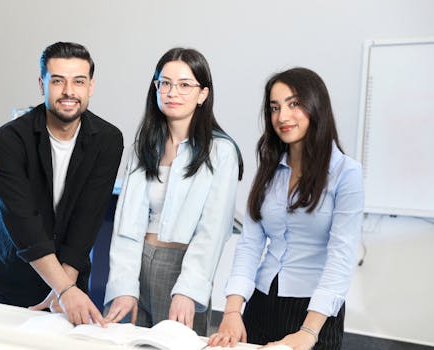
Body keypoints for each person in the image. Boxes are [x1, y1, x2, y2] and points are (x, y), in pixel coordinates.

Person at [208, 68, 364, 349]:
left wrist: (308, 332)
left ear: (316, 106)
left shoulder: (346, 173)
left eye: (294, 104)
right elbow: (250, 245)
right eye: (274, 108)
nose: (282, 117)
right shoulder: (270, 168)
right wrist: (232, 311)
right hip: (262, 301)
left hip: (315, 313)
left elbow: (341, 256)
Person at [103, 48, 243, 336]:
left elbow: (212, 230)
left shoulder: (221, 152)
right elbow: (125, 226)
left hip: (181, 269)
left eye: (184, 85)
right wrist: (124, 285)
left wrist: (188, 290)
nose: (172, 92)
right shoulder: (143, 148)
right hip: (136, 263)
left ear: (203, 93)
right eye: (164, 83)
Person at [0, 42, 123, 326]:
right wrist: (65, 289)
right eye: (58, 80)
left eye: (79, 81)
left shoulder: (107, 140)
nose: (69, 91)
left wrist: (65, 287)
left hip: (70, 272)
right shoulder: (9, 140)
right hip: (13, 273)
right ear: (41, 83)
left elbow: (88, 218)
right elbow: (23, 222)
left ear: (90, 86)